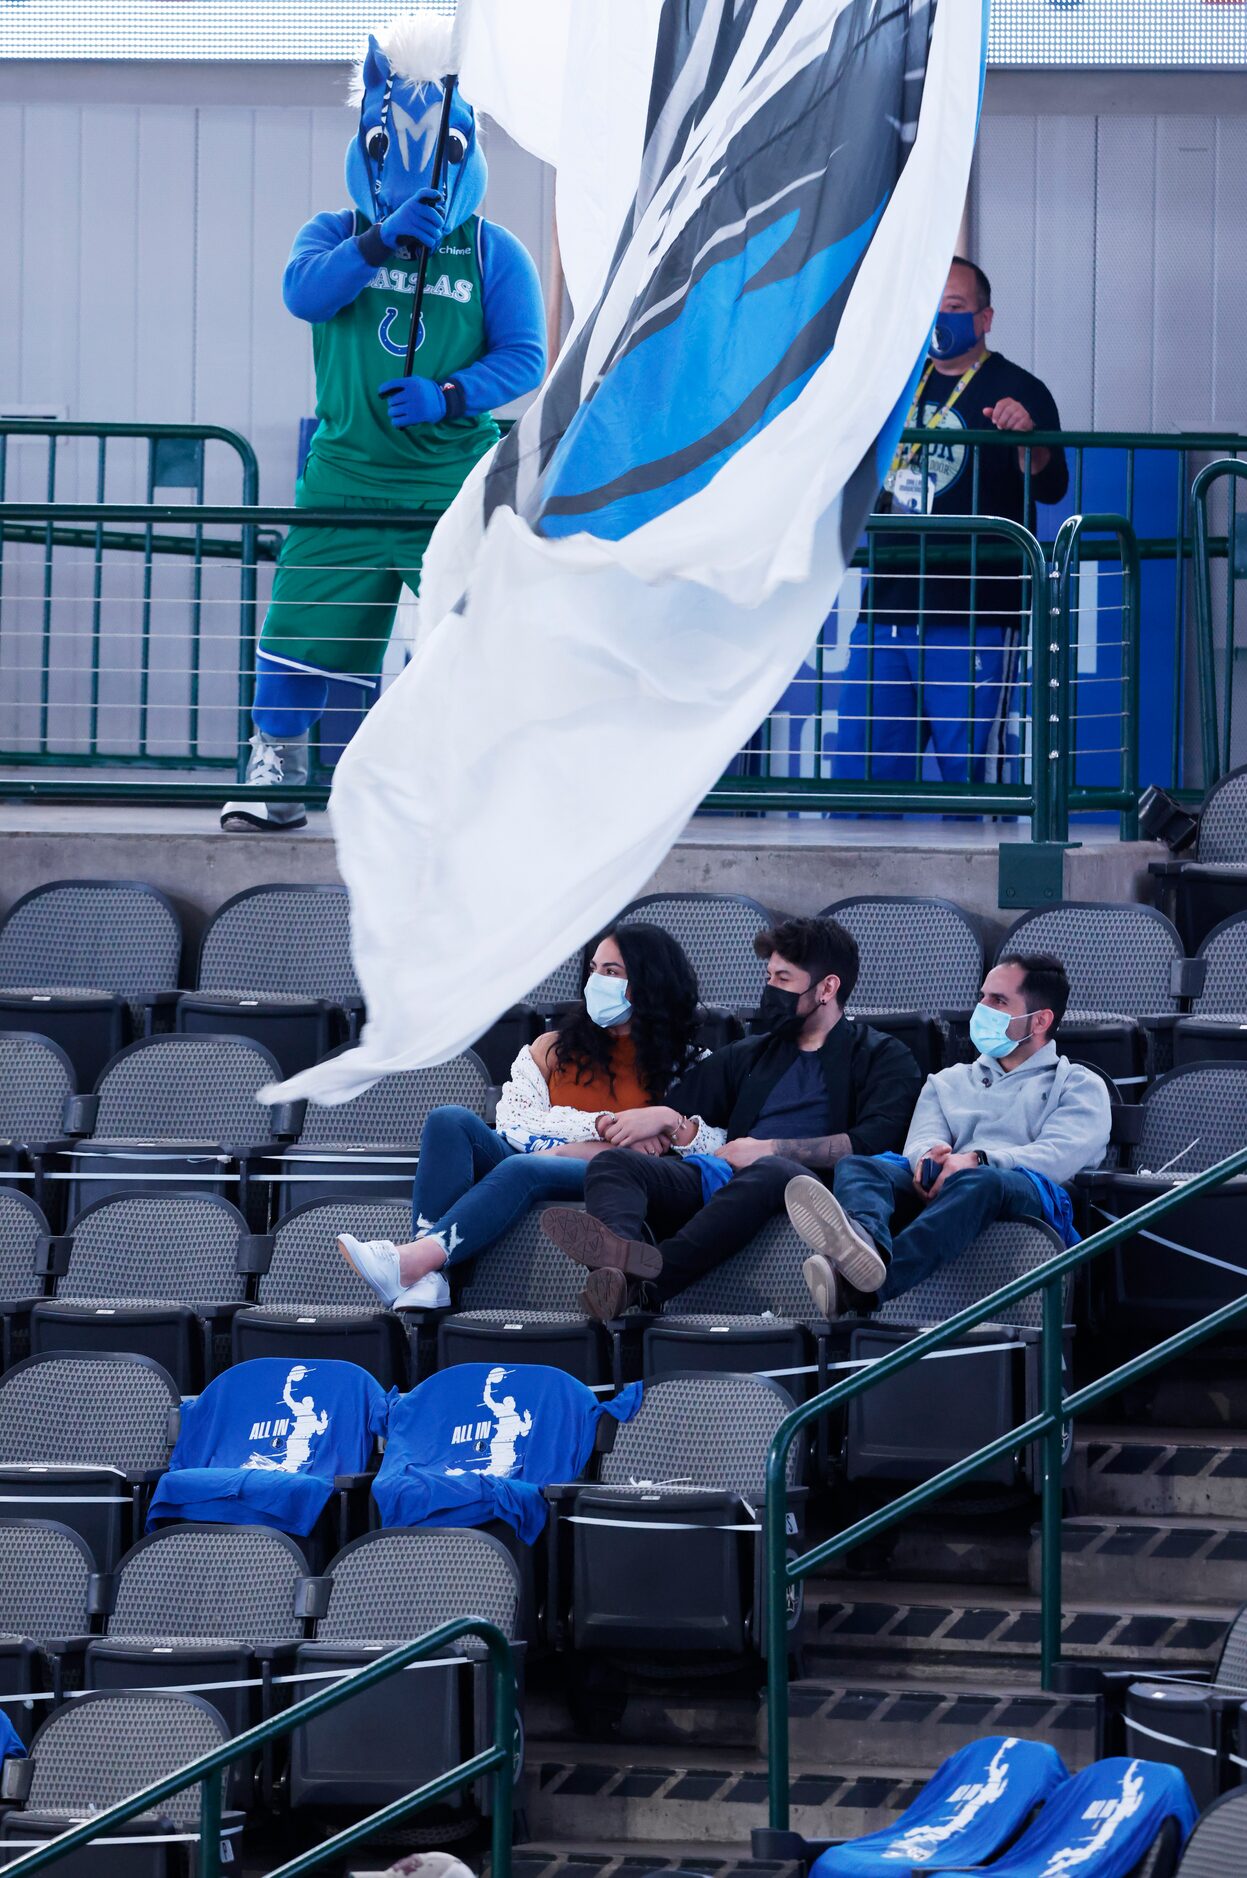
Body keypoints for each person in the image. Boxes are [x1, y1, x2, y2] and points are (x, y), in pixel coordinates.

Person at [221, 12, 546, 831]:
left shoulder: (494, 253)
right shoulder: (329, 234)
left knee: (470, 636)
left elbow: (527, 358)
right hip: (345, 475)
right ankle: (277, 769)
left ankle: (482, 783)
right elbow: (303, 295)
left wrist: (451, 395)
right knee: (299, 622)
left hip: (448, 479)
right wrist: (376, 242)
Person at [539, 916, 922, 1321]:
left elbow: (874, 1140)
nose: (770, 989)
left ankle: (650, 1283)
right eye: (768, 975)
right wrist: (663, 1121)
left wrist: (769, 1149)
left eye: (783, 979)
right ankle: (615, 1270)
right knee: (614, 1165)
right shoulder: (752, 1053)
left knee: (775, 1169)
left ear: (827, 988)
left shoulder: (884, 1056)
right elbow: (684, 1108)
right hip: (721, 1174)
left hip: (808, 1192)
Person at [337, 922, 703, 1308]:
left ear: (649, 982)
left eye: (611, 972)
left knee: (523, 1168)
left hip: (603, 1177)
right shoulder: (552, 1047)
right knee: (448, 1120)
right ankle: (429, 1277)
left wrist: (652, 1131)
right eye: (594, 970)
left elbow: (701, 1147)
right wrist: (603, 1127)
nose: (597, 981)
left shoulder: (688, 1064)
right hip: (540, 1154)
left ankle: (415, 1262)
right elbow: (514, 1122)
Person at [832, 256, 1070, 788]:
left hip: (974, 617)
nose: (942, 317)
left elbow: (1052, 485)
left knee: (971, 783)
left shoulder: (1020, 391)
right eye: (933, 306)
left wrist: (1025, 440)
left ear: (985, 318)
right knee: (859, 783)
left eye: (956, 307)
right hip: (885, 612)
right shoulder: (896, 385)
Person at [785, 952, 1111, 1314]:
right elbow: (922, 1138)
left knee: (983, 1181)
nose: (982, 1008)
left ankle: (863, 1290)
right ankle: (865, 1246)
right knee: (861, 1166)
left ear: (1040, 1021)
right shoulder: (949, 1080)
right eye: (982, 996)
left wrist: (979, 1160)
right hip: (951, 1182)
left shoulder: (1079, 1085)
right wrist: (929, 1158)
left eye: (998, 1001)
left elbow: (1060, 1155)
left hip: (1025, 1187)